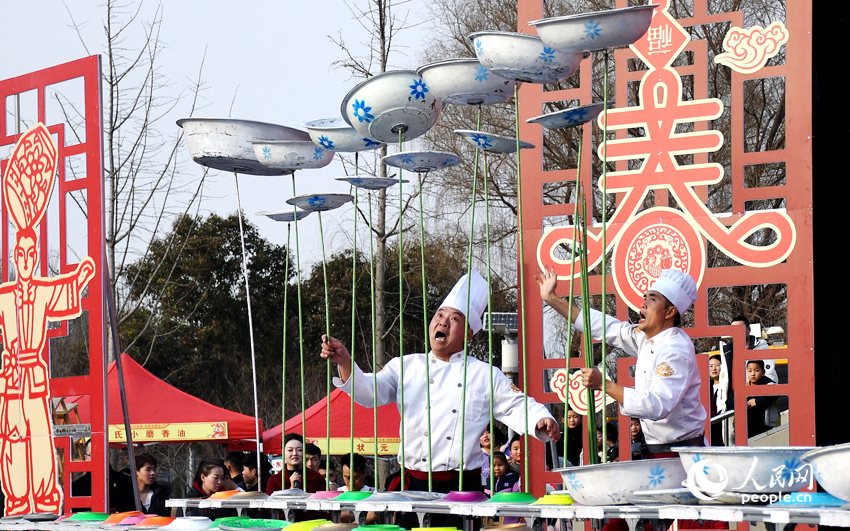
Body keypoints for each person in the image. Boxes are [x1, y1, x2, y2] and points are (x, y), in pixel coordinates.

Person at [322, 270, 558, 526]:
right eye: (439, 315)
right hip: (411, 487)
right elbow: (369, 392)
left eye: (454, 319)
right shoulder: (405, 366)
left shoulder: (484, 373)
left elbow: (516, 405)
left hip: (461, 490)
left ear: (468, 333)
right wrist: (345, 362)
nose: (443, 322)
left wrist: (541, 418)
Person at [537, 266, 706, 457]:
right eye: (645, 298)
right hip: (658, 451)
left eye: (652, 299)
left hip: (683, 455)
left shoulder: (674, 350)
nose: (643, 305)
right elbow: (606, 327)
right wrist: (552, 299)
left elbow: (657, 405)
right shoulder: (647, 338)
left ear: (670, 312)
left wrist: (604, 384)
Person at [745, 359, 779, 437]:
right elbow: (730, 402)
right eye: (750, 371)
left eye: (756, 371)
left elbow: (775, 392)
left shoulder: (768, 383)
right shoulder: (744, 385)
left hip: (763, 425)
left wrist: (756, 402)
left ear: (763, 372)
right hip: (746, 425)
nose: (753, 374)